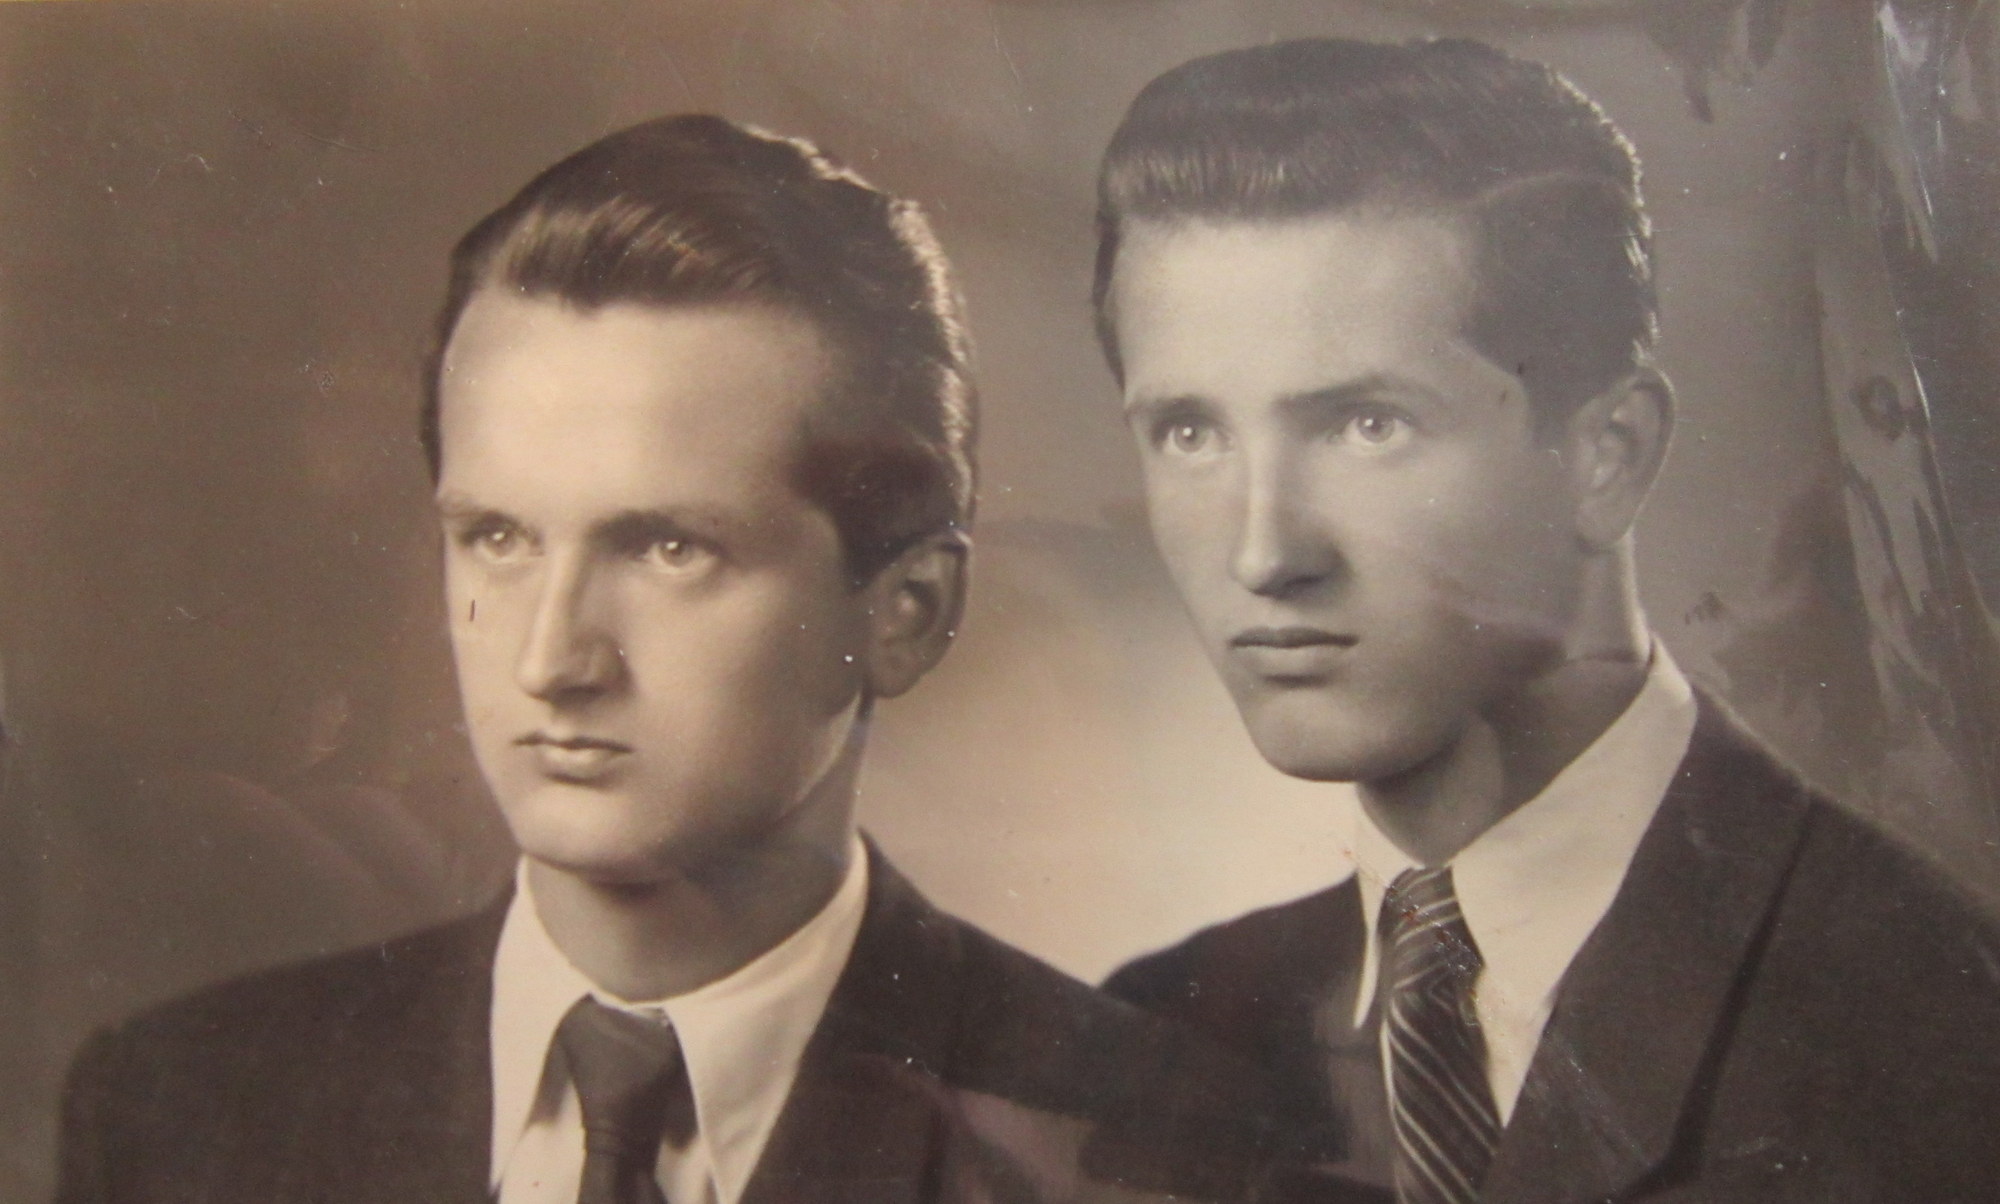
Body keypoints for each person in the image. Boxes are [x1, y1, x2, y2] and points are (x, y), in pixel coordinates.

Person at [54, 115, 1278, 1204]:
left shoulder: (1164, 1157)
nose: (551, 658)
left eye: (669, 548)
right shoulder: (181, 1109)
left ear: (904, 613)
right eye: (497, 538)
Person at [1089, 36, 2000, 1204]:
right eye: (1187, 432)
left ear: (1606, 455)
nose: (1262, 554)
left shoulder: (1932, 1027)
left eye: (1365, 425)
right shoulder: (1154, 1041)